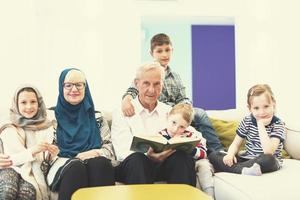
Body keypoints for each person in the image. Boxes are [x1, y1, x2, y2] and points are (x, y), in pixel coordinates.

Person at [121, 33, 224, 153]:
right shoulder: (147, 72)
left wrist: (182, 109)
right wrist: (126, 99)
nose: (164, 54)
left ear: (172, 50)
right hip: (165, 114)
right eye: (159, 51)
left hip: (177, 111)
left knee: (199, 114)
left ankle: (217, 150)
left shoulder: (175, 76)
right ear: (151, 53)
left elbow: (184, 98)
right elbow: (134, 89)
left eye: (167, 50)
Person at [112, 62, 196, 186]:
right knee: (138, 159)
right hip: (133, 166)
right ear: (136, 84)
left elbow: (193, 134)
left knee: (182, 158)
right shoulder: (123, 111)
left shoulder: (169, 111)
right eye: (146, 83)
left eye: (157, 84)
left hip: (163, 165)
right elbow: (122, 152)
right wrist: (149, 156)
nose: (152, 90)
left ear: (162, 85)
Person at [47, 68, 115, 200]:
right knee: (76, 167)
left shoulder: (97, 117)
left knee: (100, 163)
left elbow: (109, 149)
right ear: (61, 87)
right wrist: (75, 159)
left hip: (93, 161)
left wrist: (91, 153)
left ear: (85, 87)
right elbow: (48, 152)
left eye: (79, 85)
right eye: (68, 85)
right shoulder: (51, 117)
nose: (74, 89)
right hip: (63, 164)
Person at [208, 84, 285, 176]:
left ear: (274, 104)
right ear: (250, 109)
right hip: (247, 159)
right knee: (214, 155)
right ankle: (245, 170)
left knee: (269, 159)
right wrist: (230, 155)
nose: (262, 112)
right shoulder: (247, 121)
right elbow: (235, 144)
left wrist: (260, 125)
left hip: (267, 161)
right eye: (256, 108)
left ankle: (236, 169)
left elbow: (268, 151)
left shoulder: (278, 124)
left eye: (266, 106)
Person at [0, 85, 58, 200]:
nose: (29, 106)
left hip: (33, 173)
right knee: (8, 190)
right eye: (23, 102)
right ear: (16, 104)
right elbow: (9, 160)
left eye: (33, 102)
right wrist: (33, 150)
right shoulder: (8, 126)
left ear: (39, 103)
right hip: (11, 167)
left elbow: (46, 160)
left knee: (27, 193)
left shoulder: (48, 125)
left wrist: (52, 153)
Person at [159, 103, 215, 198]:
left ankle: (210, 196)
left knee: (204, 165)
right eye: (173, 122)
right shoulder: (161, 134)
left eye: (182, 127)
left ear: (187, 126)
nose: (176, 129)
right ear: (168, 117)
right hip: (171, 165)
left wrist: (189, 148)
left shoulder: (191, 135)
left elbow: (203, 153)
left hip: (192, 162)